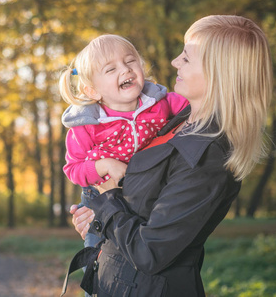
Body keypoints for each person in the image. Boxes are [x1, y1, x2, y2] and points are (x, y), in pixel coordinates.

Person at [64, 15, 272, 297]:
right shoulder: (173, 118)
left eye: (186, 58)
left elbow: (149, 252)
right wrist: (96, 219)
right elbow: (136, 206)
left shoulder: (207, 156)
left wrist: (108, 202)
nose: (175, 62)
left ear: (217, 72)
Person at [59, 34, 188, 252]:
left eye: (130, 61)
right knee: (101, 256)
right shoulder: (86, 125)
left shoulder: (160, 102)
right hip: (100, 197)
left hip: (143, 192)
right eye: (111, 69)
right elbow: (73, 169)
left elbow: (197, 108)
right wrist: (105, 165)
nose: (125, 70)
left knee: (139, 249)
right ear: (93, 91)